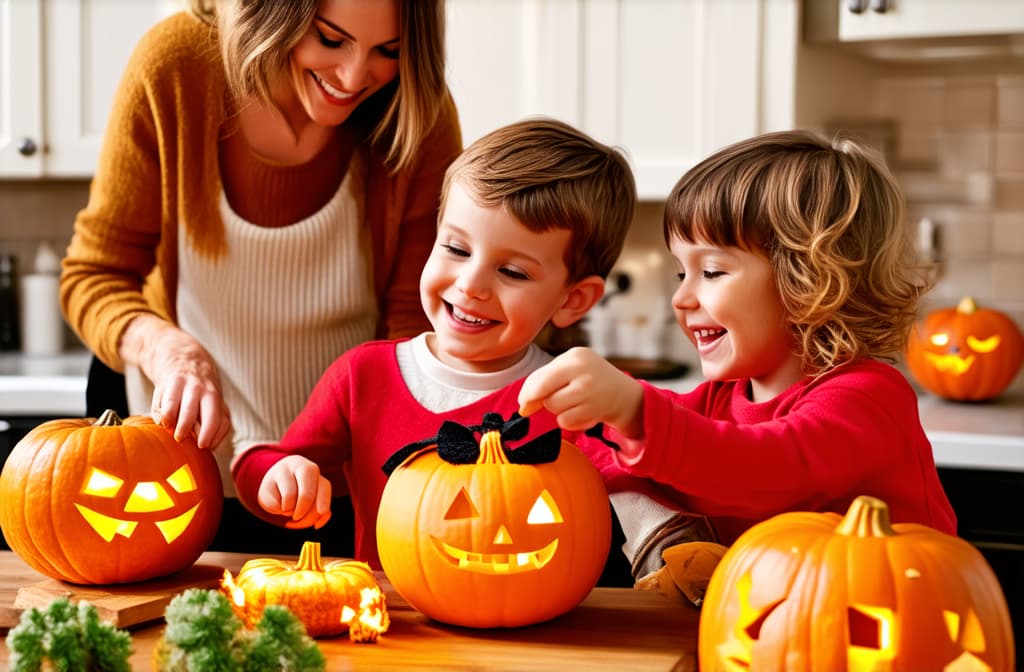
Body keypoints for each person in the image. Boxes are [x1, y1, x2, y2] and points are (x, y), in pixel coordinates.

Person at [59, 0, 462, 553]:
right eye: (330, 38)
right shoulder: (178, 65)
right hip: (177, 479)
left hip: (341, 483)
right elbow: (93, 275)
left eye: (388, 51)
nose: (352, 77)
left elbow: (416, 328)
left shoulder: (417, 110)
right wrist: (169, 351)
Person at [518, 129, 958, 554]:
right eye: (680, 272)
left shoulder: (867, 398)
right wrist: (580, 419)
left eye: (711, 272)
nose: (681, 297)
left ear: (807, 278)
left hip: (887, 621)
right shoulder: (721, 400)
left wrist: (630, 410)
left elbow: (766, 471)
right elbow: (657, 447)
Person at [231, 117, 638, 570]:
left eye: (513, 273)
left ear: (572, 300)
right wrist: (278, 477)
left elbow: (647, 504)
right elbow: (269, 468)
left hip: (538, 634)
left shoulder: (576, 398)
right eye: (456, 250)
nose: (471, 285)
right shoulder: (363, 376)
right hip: (389, 630)